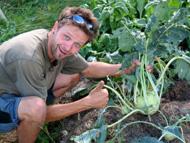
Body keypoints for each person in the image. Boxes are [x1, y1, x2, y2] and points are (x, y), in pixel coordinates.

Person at [0, 7, 139, 143]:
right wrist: (87, 103)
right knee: (36, 109)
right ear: (55, 27)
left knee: (74, 74)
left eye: (77, 45)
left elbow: (88, 69)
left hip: (15, 89)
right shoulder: (29, 56)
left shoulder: (54, 42)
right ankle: (30, 123)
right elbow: (39, 112)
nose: (68, 47)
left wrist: (127, 67)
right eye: (67, 37)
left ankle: (36, 120)